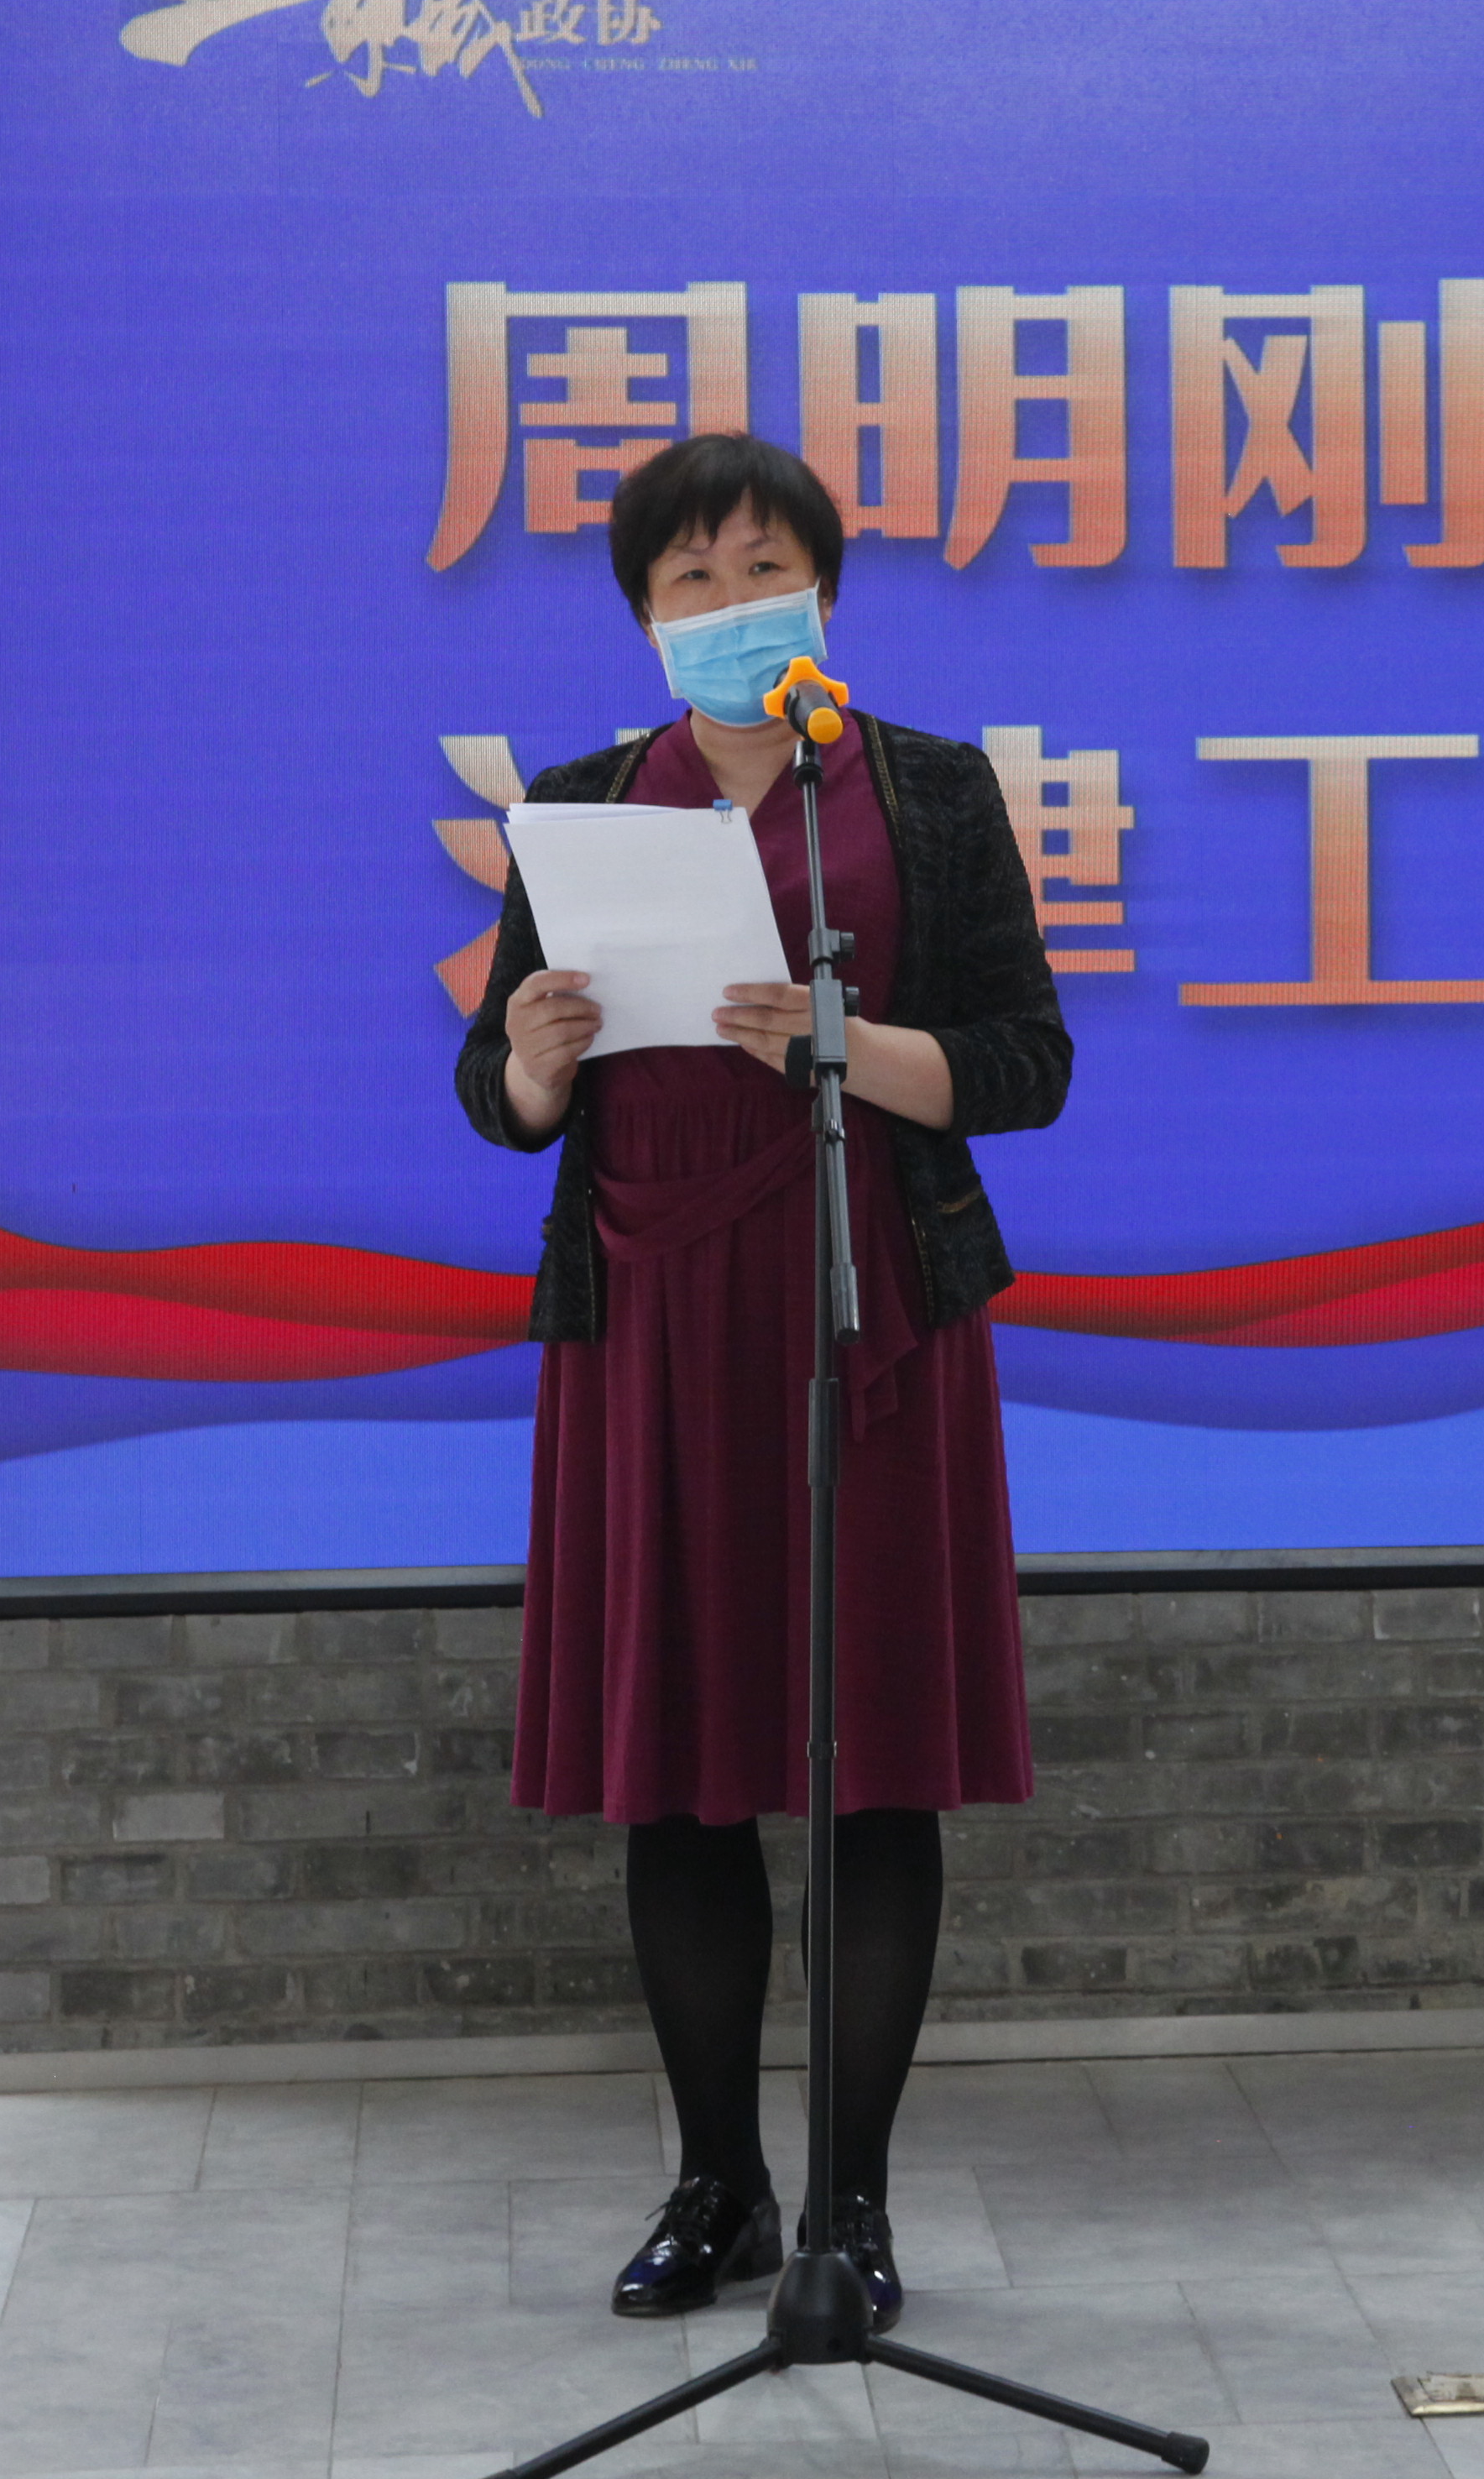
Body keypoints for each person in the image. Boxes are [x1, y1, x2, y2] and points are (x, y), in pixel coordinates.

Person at [452, 431, 1063, 2334]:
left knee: (870, 1771)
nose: (731, 606)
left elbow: (1027, 1062)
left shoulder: (928, 789)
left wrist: (845, 1043)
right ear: (644, 615)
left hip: (870, 1313)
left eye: (763, 570)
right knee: (682, 1775)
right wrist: (535, 1061)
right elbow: (494, 1096)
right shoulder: (581, 808)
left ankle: (849, 2214)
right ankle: (715, 2184)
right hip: (650, 1323)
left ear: (826, 591)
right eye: (692, 580)